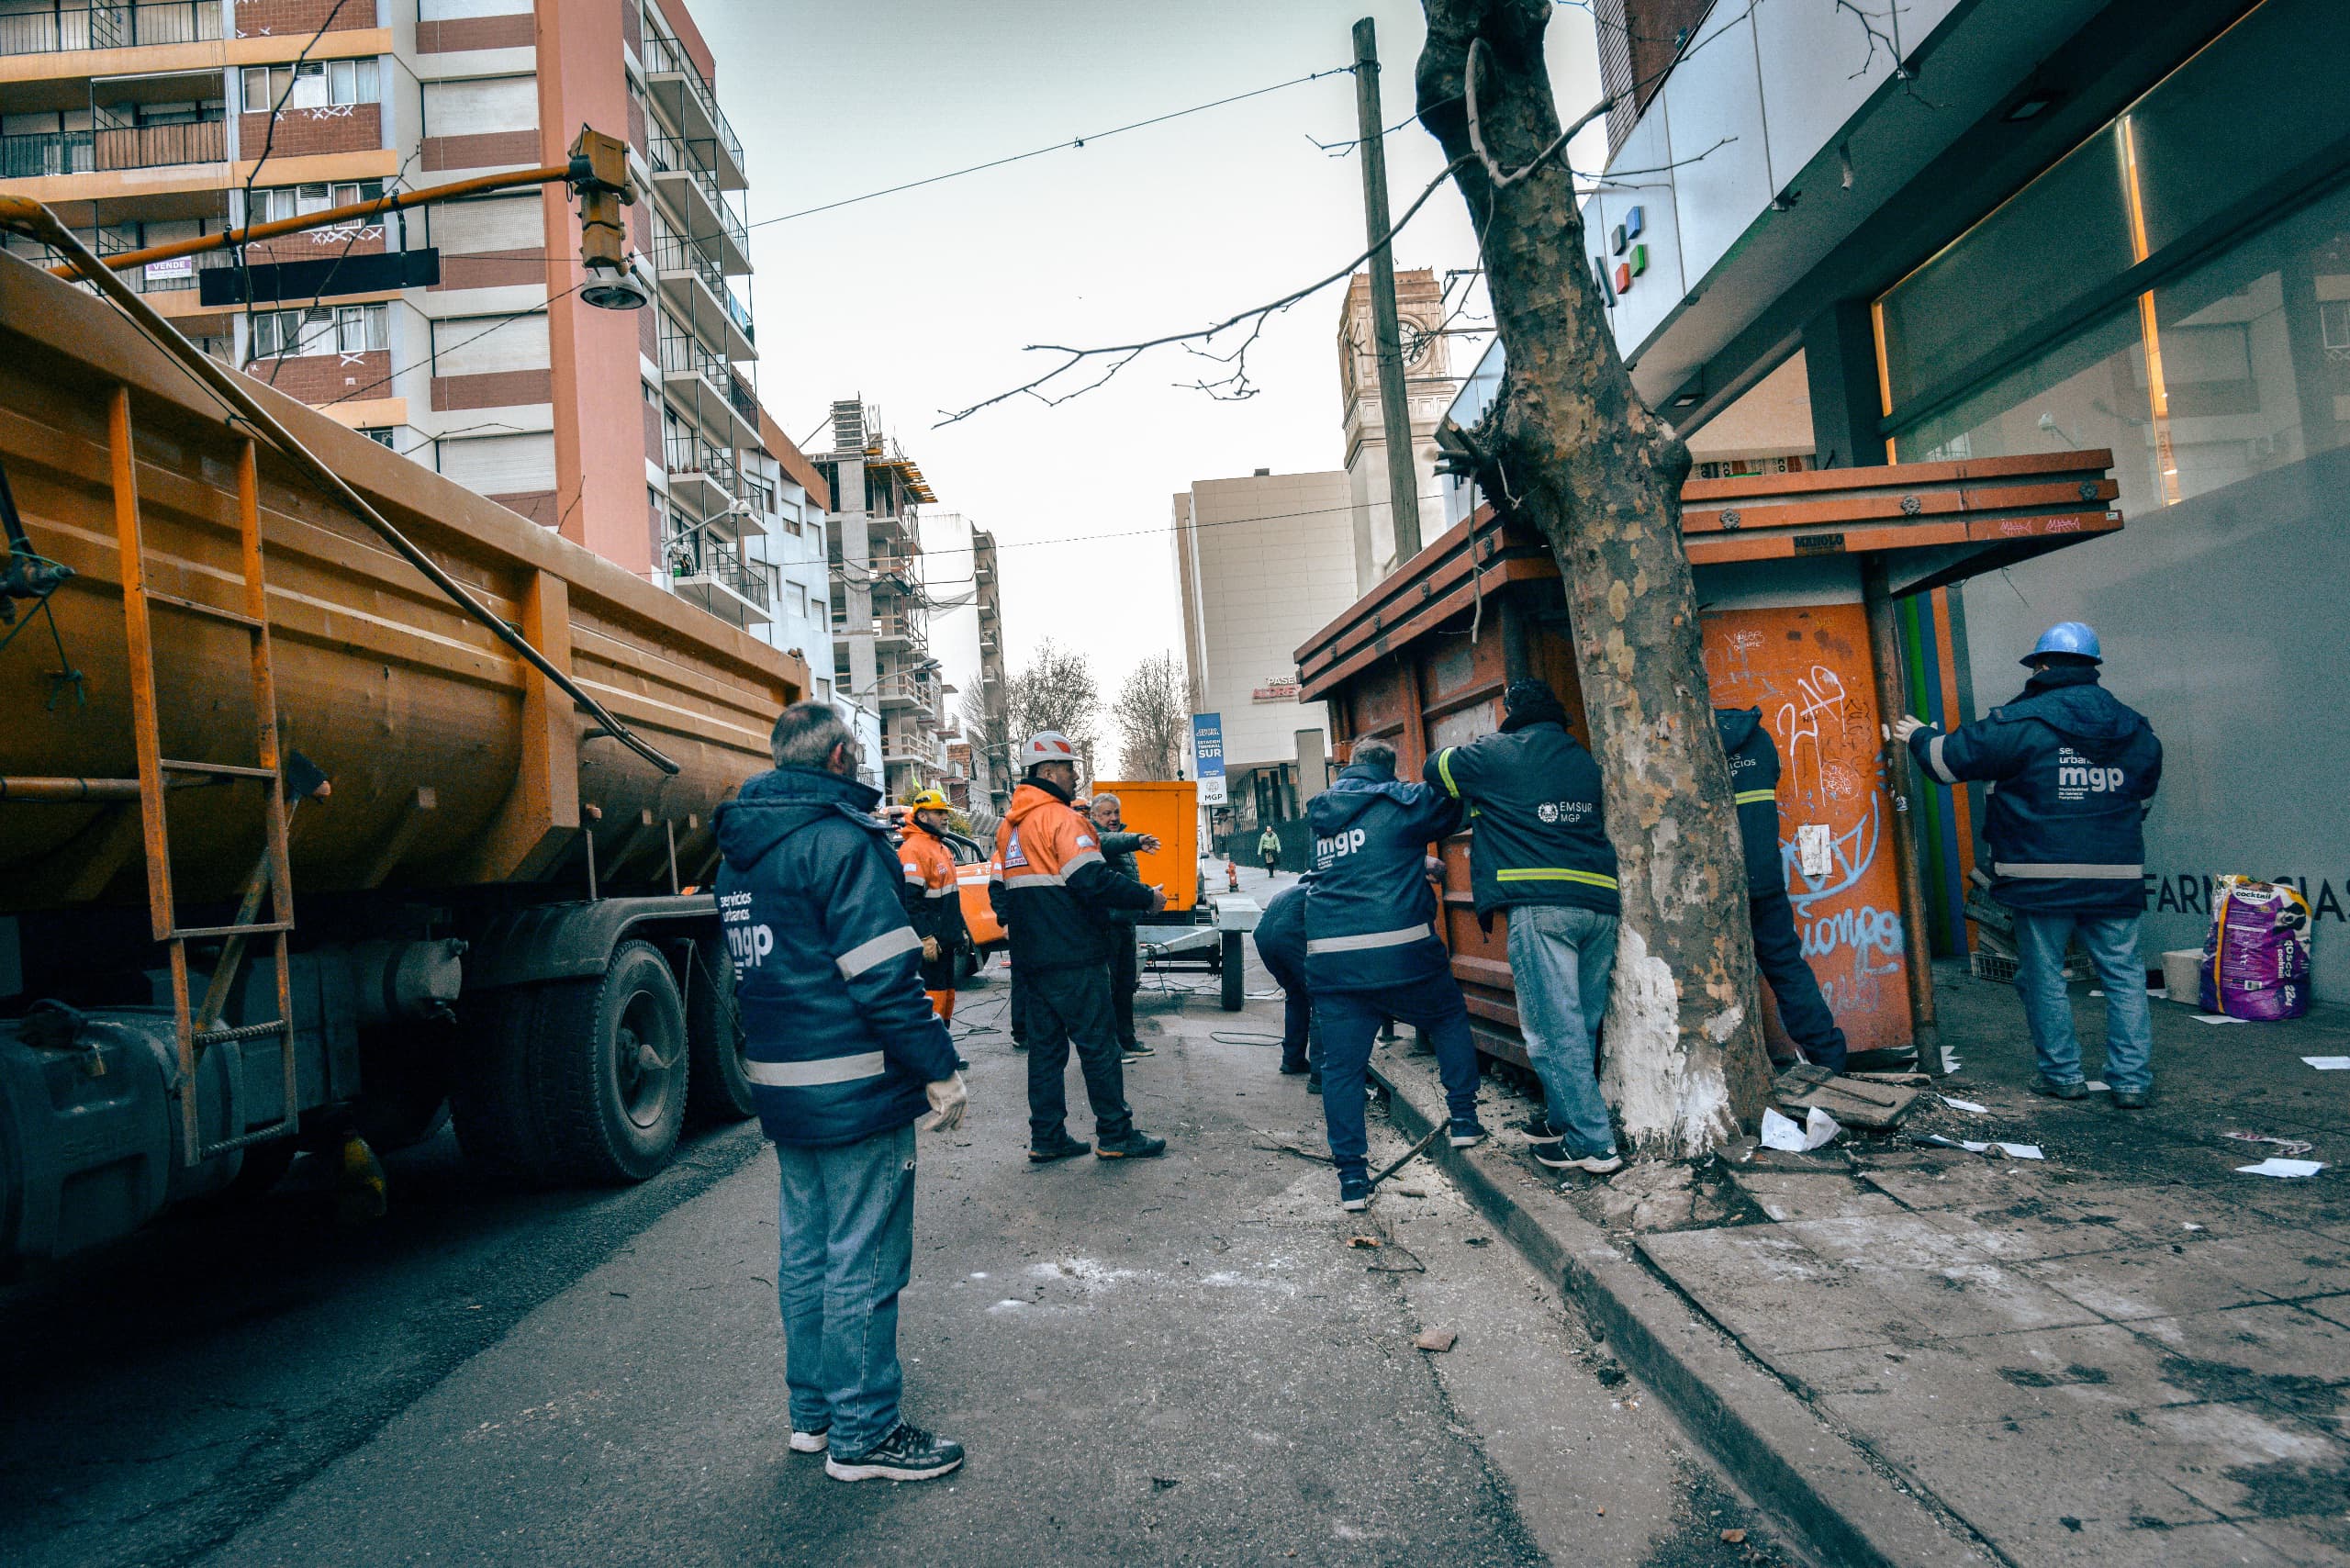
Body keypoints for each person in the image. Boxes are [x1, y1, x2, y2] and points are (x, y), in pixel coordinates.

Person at [715, 701, 967, 1484]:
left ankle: (815, 1417)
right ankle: (865, 1433)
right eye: (854, 752)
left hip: (785, 1085)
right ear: (836, 758)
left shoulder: (740, 853)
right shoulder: (841, 842)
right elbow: (885, 978)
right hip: (857, 1085)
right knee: (866, 1256)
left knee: (808, 1255)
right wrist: (939, 1067)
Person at [1896, 622, 2163, 1108]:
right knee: (2124, 977)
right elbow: (2141, 800)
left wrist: (1918, 735)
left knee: (2044, 977)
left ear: (2040, 666)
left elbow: (1944, 762)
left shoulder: (2019, 723)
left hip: (2041, 878)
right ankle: (2131, 1082)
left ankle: (2062, 1076)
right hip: (2115, 876)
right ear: (2092, 666)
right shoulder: (2134, 727)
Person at [1427, 680, 1623, 1175]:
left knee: (1551, 1032)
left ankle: (1592, 1143)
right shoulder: (1582, 758)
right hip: (1599, 904)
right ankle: (1562, 1118)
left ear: (1510, 711)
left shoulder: (1500, 752)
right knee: (1581, 1025)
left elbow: (1437, 767)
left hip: (1541, 905)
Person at [1304, 735, 1486, 1212]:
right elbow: (1457, 806)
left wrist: (1409, 861)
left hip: (1333, 962)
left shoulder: (1321, 813)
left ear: (1349, 765)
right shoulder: (1403, 800)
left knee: (1341, 1071)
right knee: (1447, 1018)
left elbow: (1358, 860)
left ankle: (1352, 1180)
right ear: (1390, 769)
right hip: (1403, 955)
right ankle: (1464, 1121)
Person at [1002, 732, 1170, 1161]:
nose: (1075, 776)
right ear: (1048, 771)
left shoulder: (1010, 827)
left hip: (1032, 959)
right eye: (1069, 768)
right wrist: (1146, 897)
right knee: (1098, 1045)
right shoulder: (1062, 820)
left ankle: (1047, 1138)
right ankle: (1115, 1134)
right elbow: (1092, 879)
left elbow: (1001, 892)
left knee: (1045, 1052)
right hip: (1074, 955)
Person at [1715, 708, 1850, 1073]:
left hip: (1714, 886)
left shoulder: (1693, 743)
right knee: (1787, 967)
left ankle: (1728, 1073)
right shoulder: (1758, 738)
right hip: (1764, 877)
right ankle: (1829, 1058)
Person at [1088, 792, 1163, 1061]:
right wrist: (1136, 840)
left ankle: (1127, 1040)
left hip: (1125, 925)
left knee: (1125, 987)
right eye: (1107, 813)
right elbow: (1105, 843)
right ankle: (1111, 1047)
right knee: (1108, 990)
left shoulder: (1120, 841)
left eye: (1116, 813)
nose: (1113, 818)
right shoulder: (1093, 839)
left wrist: (1144, 898)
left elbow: (1125, 881)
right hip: (1106, 927)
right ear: (1094, 816)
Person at [896, 787, 970, 1029]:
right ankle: (932, 1045)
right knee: (932, 1000)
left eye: (945, 812)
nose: (945, 817)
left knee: (947, 996)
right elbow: (910, 900)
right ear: (922, 816)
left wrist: (960, 930)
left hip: (944, 942)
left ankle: (943, 1041)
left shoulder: (941, 848)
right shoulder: (913, 849)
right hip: (931, 945)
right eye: (939, 812)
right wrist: (925, 937)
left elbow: (951, 896)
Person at [1253, 873, 1320, 1091]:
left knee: (1297, 994)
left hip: (1263, 938)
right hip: (1286, 936)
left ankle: (1292, 1059)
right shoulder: (1317, 893)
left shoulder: (1292, 892)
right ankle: (1320, 1075)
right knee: (1320, 998)